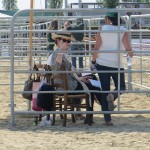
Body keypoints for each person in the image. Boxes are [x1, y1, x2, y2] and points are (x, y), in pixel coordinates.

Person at [91, 12, 133, 126]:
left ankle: (107, 120)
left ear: (109, 19)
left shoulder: (102, 29)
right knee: (121, 87)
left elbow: (97, 47)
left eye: (106, 18)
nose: (105, 20)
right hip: (116, 64)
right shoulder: (122, 30)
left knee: (105, 90)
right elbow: (127, 46)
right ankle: (113, 96)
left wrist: (93, 61)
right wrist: (130, 52)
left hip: (102, 63)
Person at [50, 32, 102, 125]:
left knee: (91, 77)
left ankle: (95, 111)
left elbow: (69, 73)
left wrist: (81, 77)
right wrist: (61, 51)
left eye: (69, 41)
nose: (68, 43)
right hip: (67, 87)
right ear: (58, 41)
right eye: (65, 41)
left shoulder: (61, 54)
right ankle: (102, 103)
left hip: (69, 84)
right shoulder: (57, 54)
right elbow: (56, 68)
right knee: (91, 84)